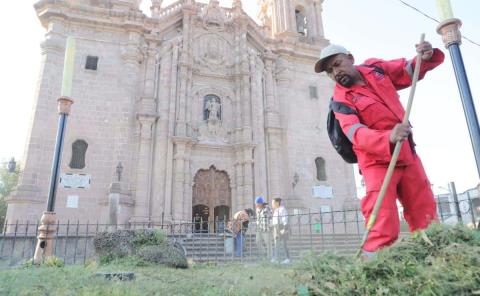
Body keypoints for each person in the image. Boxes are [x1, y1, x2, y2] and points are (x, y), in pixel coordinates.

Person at [315, 41, 444, 257]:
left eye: (337, 64)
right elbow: (355, 133)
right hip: (376, 163)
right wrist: (388, 137)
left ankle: (435, 257)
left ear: (351, 58)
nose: (335, 73)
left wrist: (425, 58)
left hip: (407, 153)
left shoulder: (376, 69)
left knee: (425, 211)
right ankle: (373, 267)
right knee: (381, 219)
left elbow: (407, 70)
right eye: (330, 71)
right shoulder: (340, 100)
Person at [271, 198, 290, 264]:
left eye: (273, 203)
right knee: (276, 244)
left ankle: (287, 258)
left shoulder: (282, 209)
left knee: (284, 243)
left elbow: (285, 219)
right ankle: (275, 258)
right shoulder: (276, 210)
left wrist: (284, 229)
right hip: (276, 227)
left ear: (277, 203)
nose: (272, 204)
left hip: (281, 227)